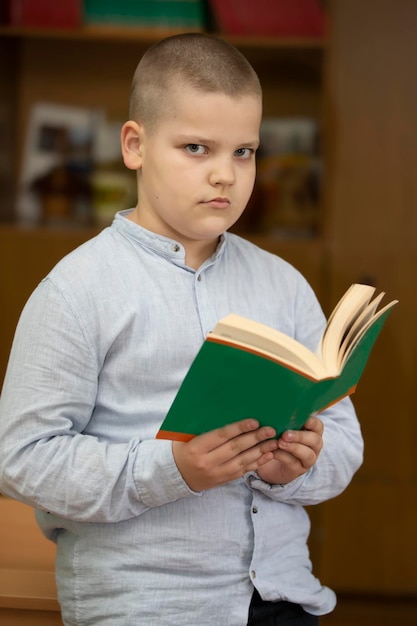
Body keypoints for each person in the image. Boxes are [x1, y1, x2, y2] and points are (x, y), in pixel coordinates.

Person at [0, 33, 363, 626]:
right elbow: (21, 460)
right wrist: (172, 471)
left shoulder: (285, 285)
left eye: (244, 152)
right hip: (144, 605)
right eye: (197, 148)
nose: (225, 175)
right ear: (135, 145)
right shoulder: (77, 289)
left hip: (280, 597)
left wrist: (293, 469)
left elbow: (345, 443)